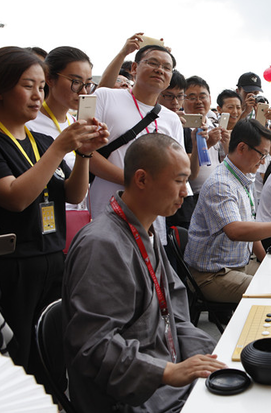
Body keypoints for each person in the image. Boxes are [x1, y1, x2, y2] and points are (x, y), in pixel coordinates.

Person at [63, 134, 224, 413]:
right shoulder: (101, 244)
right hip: (132, 398)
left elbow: (174, 315)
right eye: (178, 180)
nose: (186, 191)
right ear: (141, 179)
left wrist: (213, 357)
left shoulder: (145, 229)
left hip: (167, 377)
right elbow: (94, 346)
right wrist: (166, 372)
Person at [0, 47, 108, 380]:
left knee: (50, 355)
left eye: (41, 87)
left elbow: (73, 194)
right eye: (27, 86)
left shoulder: (42, 140)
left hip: (52, 256)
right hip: (11, 268)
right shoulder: (19, 142)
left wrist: (85, 155)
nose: (37, 95)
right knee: (17, 357)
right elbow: (15, 197)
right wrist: (62, 147)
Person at [185, 119, 271, 303]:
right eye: (262, 155)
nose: (262, 162)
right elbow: (235, 231)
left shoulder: (242, 177)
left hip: (238, 264)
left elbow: (250, 227)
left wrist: (265, 261)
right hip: (213, 274)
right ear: (242, 148)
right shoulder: (221, 183)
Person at [88, 44, 187, 245]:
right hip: (107, 206)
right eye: (153, 63)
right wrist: (133, 182)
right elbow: (85, 152)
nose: (160, 69)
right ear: (134, 68)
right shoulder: (105, 96)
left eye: (167, 67)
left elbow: (177, 169)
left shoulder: (172, 119)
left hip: (152, 218)